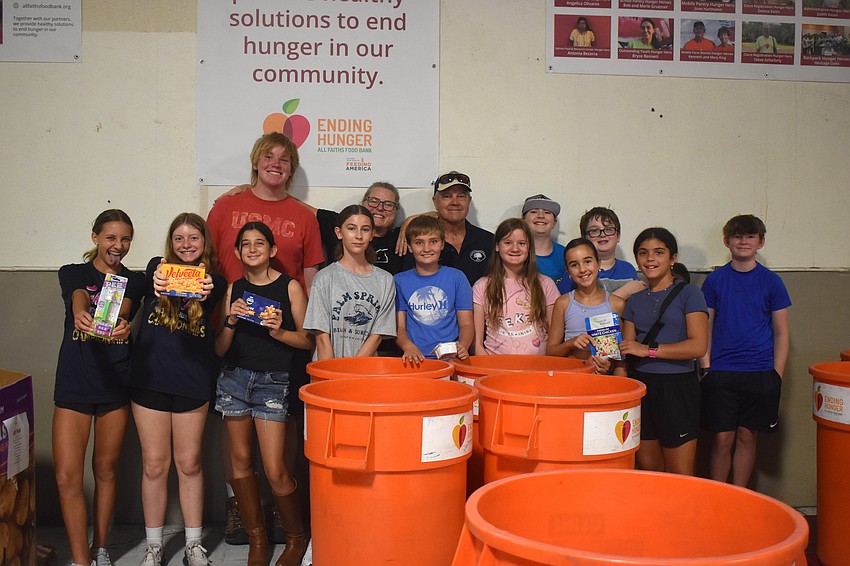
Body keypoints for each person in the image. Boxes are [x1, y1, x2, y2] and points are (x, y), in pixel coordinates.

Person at [206, 132, 321, 546]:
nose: (276, 163)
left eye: (285, 158)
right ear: (255, 162)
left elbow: (311, 278)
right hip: (230, 339)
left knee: (280, 433)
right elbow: (205, 259)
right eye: (268, 156)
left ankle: (281, 516)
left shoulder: (305, 215)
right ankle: (240, 510)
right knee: (234, 441)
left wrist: (305, 333)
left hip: (281, 341)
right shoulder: (226, 205)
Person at [214, 222, 313, 566]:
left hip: (274, 381)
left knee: (275, 470)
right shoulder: (234, 289)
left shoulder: (291, 287)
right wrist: (230, 321)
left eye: (260, 243)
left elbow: (307, 340)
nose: (252, 248)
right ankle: (257, 538)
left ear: (272, 250)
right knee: (240, 465)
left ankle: (295, 537)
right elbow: (220, 350)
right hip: (234, 380)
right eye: (245, 244)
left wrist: (279, 331)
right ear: (238, 252)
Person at [130, 213, 226, 566]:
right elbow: (156, 271)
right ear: (171, 243)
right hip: (149, 380)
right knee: (154, 465)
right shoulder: (157, 268)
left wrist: (207, 288)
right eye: (179, 239)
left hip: (192, 380)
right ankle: (154, 546)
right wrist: (159, 276)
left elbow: (210, 288)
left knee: (190, 463)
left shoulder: (214, 281)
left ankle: (193, 544)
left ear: (205, 243)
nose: (186, 245)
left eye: (194, 239)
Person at [54, 209, 145, 566]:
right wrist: (80, 311)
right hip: (75, 382)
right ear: (95, 238)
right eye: (110, 238)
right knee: (66, 476)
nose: (118, 246)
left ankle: (101, 549)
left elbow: (124, 305)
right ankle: (80, 559)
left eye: (125, 239)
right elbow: (77, 293)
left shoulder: (133, 281)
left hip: (115, 383)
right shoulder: (72, 272)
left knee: (106, 470)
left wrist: (121, 323)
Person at [699, 215, 791, 488]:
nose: (743, 241)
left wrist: (776, 374)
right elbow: (706, 325)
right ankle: (719, 495)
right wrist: (706, 367)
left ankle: (740, 495)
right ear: (727, 241)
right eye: (737, 236)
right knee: (721, 438)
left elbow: (782, 332)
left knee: (748, 436)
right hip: (721, 372)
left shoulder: (771, 282)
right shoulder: (715, 281)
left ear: (760, 242)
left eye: (750, 236)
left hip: (760, 372)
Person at [617, 227, 708, 476]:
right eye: (643, 253)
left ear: (672, 258)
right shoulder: (634, 300)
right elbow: (627, 348)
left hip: (678, 388)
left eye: (659, 252)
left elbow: (698, 346)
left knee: (680, 472)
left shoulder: (690, 294)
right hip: (643, 389)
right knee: (649, 470)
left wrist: (649, 350)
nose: (650, 259)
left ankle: (682, 516)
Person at [304, 205, 396, 359]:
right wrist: (332, 376)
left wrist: (351, 371)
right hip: (327, 371)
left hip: (364, 372)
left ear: (372, 234)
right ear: (339, 233)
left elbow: (377, 336)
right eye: (352, 228)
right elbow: (321, 336)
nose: (358, 236)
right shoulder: (324, 278)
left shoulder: (385, 280)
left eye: (365, 229)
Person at [473, 218, 560, 356]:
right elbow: (476, 345)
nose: (515, 248)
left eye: (521, 243)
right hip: (495, 370)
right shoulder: (482, 286)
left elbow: (555, 336)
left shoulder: (546, 284)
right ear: (497, 246)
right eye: (508, 243)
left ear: (529, 247)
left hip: (538, 369)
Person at [394, 216, 474, 362]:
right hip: (415, 360)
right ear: (410, 247)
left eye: (433, 242)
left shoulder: (457, 278)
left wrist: (463, 346)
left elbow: (467, 323)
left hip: (451, 358)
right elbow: (399, 327)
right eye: (419, 243)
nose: (427, 249)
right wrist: (408, 347)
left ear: (442, 244)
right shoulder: (399, 281)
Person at [547, 238, 625, 375]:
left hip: (603, 383)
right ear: (568, 272)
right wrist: (570, 343)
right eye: (574, 265)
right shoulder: (563, 303)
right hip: (570, 381)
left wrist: (610, 365)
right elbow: (551, 351)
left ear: (598, 263)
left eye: (588, 261)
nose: (582, 269)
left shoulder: (616, 304)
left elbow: (622, 356)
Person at [404, 171, 494, 286]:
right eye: (447, 196)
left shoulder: (488, 241)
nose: (455, 202)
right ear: (435, 202)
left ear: (469, 201)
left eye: (461, 196)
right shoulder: (418, 242)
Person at [578, 207, 646, 300]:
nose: (602, 234)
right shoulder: (579, 271)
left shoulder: (628, 269)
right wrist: (624, 292)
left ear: (618, 236)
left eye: (609, 229)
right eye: (594, 231)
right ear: (584, 238)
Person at [522, 194, 568, 293]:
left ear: (554, 222)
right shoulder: (514, 253)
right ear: (523, 220)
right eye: (533, 211)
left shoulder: (566, 254)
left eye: (547, 212)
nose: (541, 216)